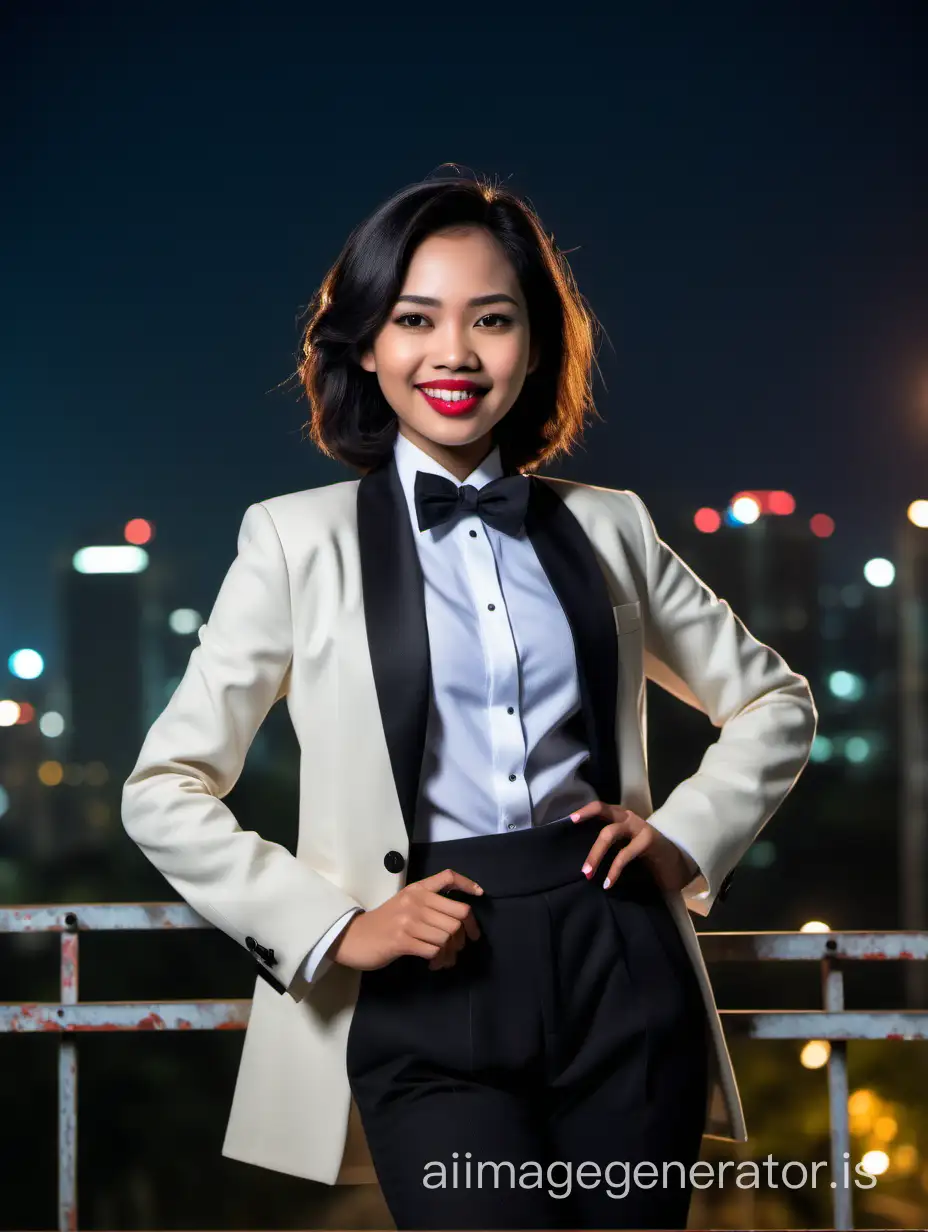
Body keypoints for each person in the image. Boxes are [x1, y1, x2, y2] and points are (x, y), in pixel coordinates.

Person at [121, 174, 818, 1230]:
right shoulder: (293, 541)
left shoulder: (611, 525)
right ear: (364, 343)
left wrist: (682, 837)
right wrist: (332, 927)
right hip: (426, 984)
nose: (454, 351)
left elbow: (774, 699)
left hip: (618, 960)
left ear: (533, 344)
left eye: (491, 318)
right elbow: (163, 787)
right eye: (414, 318)